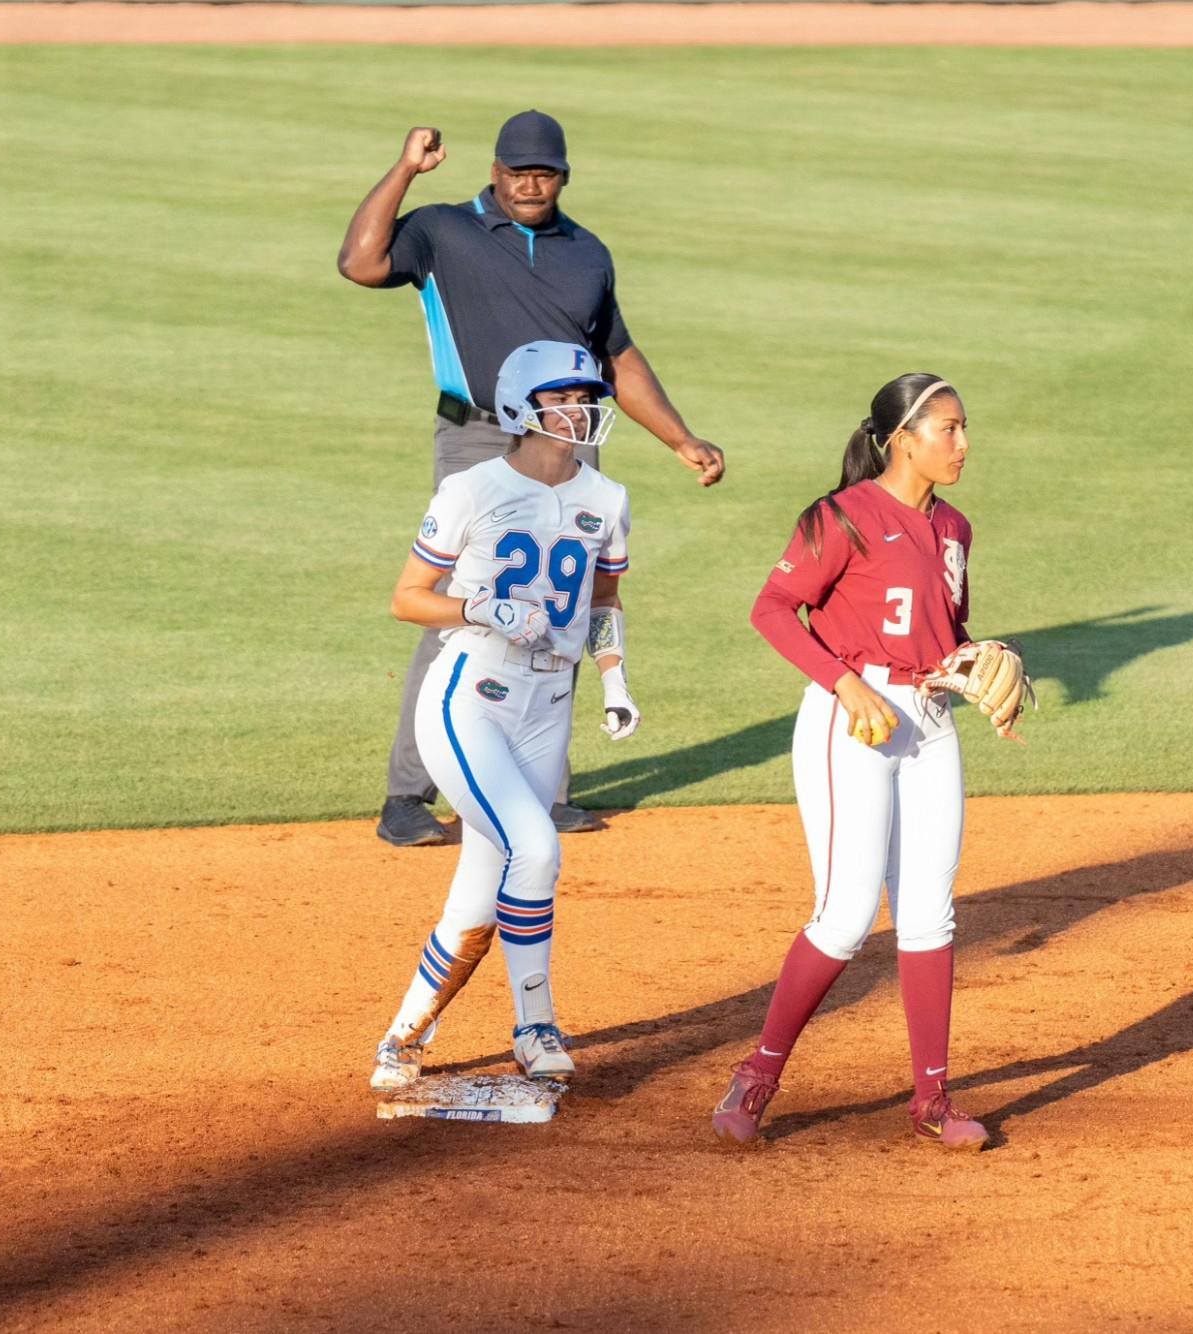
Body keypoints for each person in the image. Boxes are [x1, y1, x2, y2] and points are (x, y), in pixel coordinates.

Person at [338, 109, 724, 847]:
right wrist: (405, 169)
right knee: (463, 604)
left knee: (564, 605)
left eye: (543, 173)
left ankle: (539, 788)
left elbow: (618, 359)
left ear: (563, 176)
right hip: (480, 433)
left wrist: (680, 437)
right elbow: (360, 263)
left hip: (570, 440)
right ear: (494, 171)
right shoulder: (442, 230)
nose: (529, 184)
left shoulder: (587, 253)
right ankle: (408, 796)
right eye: (517, 172)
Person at [710, 373, 1002, 1151]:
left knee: (931, 912)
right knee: (844, 915)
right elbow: (771, 610)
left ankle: (933, 1101)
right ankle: (758, 1076)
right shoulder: (840, 517)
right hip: (853, 722)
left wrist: (975, 668)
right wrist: (841, 683)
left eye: (965, 428)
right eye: (948, 429)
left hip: (931, 722)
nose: (964, 444)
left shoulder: (957, 529)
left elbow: (944, 634)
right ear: (902, 437)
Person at [369, 340, 639, 1092]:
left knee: (479, 889)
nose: (582, 410)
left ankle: (403, 1035)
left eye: (587, 397)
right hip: (471, 697)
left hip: (550, 705)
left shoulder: (607, 500)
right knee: (537, 844)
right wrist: (477, 604)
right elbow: (406, 598)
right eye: (564, 398)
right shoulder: (471, 489)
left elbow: (605, 605)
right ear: (526, 406)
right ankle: (535, 1023)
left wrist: (615, 682)